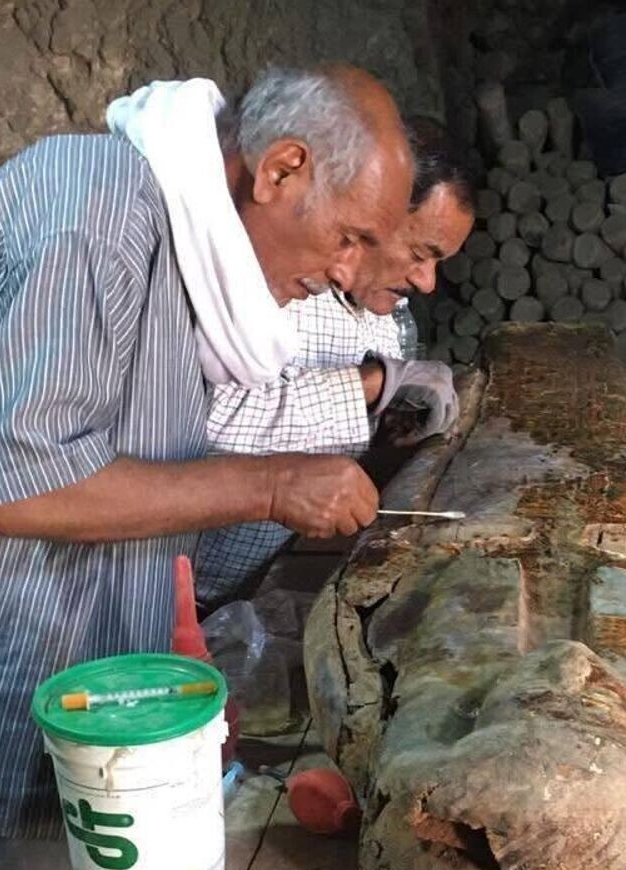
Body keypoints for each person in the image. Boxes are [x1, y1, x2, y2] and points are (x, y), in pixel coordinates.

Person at [0, 66, 414, 870]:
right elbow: (25, 490)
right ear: (281, 170)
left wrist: (181, 672)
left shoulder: (180, 249)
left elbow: (143, 485)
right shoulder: (93, 207)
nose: (351, 273)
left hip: (82, 685)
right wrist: (275, 484)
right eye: (351, 236)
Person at [195, 116, 476, 602]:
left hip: (255, 592)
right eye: (419, 252)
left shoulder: (388, 317)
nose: (428, 281)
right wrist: (372, 385)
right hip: (172, 588)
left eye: (439, 263)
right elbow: (199, 418)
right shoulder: (284, 275)